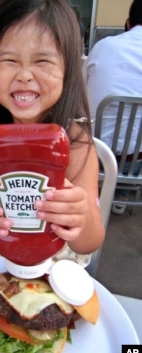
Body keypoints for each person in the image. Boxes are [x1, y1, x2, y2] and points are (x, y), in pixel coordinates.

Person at [0, 0, 105, 263]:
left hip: (49, 271)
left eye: (43, 61)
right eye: (9, 60)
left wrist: (79, 217)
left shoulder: (75, 142)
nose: (25, 74)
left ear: (67, 71)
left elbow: (90, 241)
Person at [82, 0, 142, 215]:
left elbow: (82, 92)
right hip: (137, 162)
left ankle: (96, 191)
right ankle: (121, 195)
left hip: (96, 153)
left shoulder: (104, 46)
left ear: (127, 23)